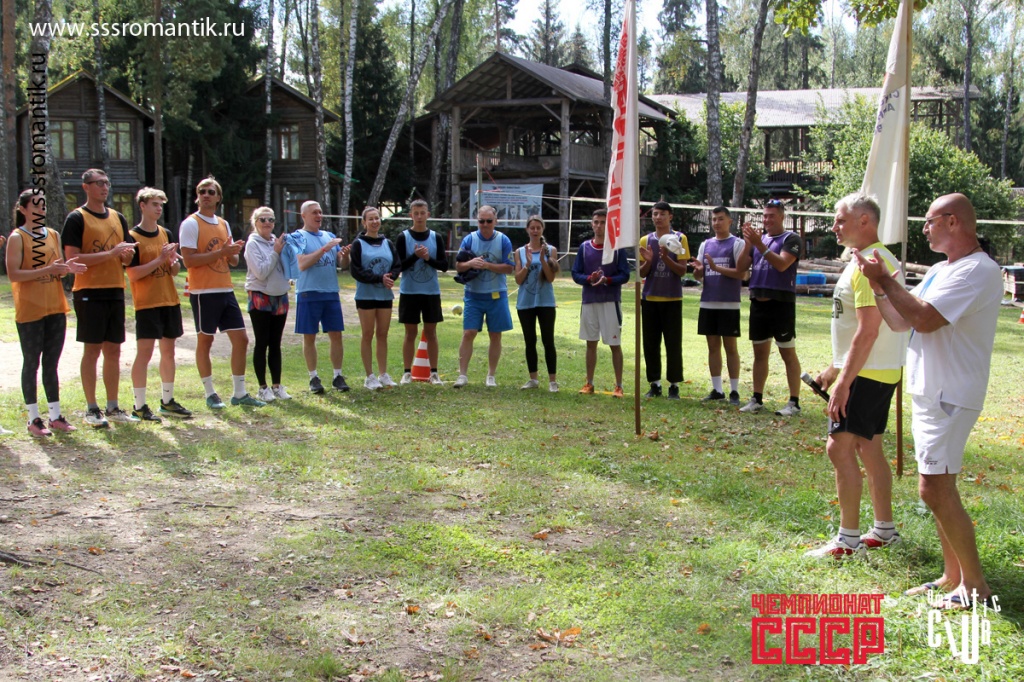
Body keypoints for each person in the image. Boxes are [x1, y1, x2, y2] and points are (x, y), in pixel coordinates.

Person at [856, 193, 1002, 607]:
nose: (924, 229)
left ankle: (975, 586)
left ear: (953, 221)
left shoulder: (977, 270)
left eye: (930, 221)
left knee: (933, 489)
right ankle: (953, 576)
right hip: (931, 392)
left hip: (951, 394)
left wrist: (887, 281)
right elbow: (901, 320)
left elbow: (924, 318)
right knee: (939, 488)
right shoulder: (941, 269)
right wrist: (879, 287)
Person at [805, 193, 908, 559]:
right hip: (875, 370)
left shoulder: (871, 262)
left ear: (865, 220)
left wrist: (845, 383)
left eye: (841, 219)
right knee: (869, 446)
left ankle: (847, 541)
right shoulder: (864, 259)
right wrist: (835, 368)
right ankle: (884, 530)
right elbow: (854, 327)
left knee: (840, 447)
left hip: (868, 372)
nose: (834, 226)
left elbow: (868, 330)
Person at [179, 177, 265, 409]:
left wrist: (232, 251)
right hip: (203, 292)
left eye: (211, 192)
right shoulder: (191, 224)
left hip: (225, 290)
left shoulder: (223, 224)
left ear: (218, 197)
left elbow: (233, 260)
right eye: (202, 191)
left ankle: (240, 393)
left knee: (241, 339)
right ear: (197, 196)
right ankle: (210, 393)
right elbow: (188, 261)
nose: (206, 195)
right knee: (205, 341)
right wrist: (221, 252)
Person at [62, 168, 138, 427]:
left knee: (114, 350)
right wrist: (110, 254)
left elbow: (126, 257)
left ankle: (113, 406)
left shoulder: (118, 217)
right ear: (86, 187)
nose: (104, 187)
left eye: (106, 182)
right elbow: (72, 259)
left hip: (115, 289)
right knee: (92, 349)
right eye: (98, 183)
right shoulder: (76, 218)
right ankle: (92, 408)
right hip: (88, 292)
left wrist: (126, 255)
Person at [8, 189, 86, 436]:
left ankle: (55, 416)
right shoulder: (17, 237)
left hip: (55, 307)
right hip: (30, 309)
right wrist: (47, 270)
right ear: (23, 209)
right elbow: (13, 274)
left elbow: (57, 269)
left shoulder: (52, 234)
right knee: (31, 363)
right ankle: (33, 419)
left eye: (43, 205)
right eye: (36, 205)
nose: (41, 209)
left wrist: (67, 268)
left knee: (51, 364)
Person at [126, 188, 191, 422]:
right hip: (147, 303)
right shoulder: (132, 237)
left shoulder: (166, 233)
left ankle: (167, 401)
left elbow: (173, 271)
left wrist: (172, 262)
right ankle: (139, 406)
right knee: (144, 353)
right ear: (142, 206)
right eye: (154, 204)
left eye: (161, 205)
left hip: (169, 300)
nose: (159, 208)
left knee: (169, 352)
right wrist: (160, 259)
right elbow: (133, 274)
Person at [740, 199, 803, 416]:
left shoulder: (791, 239)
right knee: (759, 354)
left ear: (782, 216)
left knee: (787, 353)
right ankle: (757, 398)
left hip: (781, 303)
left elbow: (782, 264)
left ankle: (794, 402)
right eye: (765, 216)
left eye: (772, 216)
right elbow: (741, 268)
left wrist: (759, 244)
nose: (767, 220)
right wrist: (748, 243)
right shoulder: (760, 240)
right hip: (758, 302)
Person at [287, 200, 350, 394]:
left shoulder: (328, 236)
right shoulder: (297, 237)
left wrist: (345, 255)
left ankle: (338, 376)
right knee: (309, 337)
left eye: (320, 212)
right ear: (303, 216)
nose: (318, 216)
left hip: (330, 292)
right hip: (308, 293)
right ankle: (313, 377)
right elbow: (301, 264)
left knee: (336, 335)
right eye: (314, 212)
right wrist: (324, 248)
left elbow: (343, 265)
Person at [691, 206, 749, 406]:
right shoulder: (705, 244)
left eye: (721, 219)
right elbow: (699, 275)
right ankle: (717, 390)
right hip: (708, 302)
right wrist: (698, 271)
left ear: (730, 221)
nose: (716, 223)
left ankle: (734, 390)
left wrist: (716, 268)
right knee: (712, 347)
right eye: (714, 219)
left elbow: (742, 274)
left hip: (729, 303)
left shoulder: (738, 244)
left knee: (730, 347)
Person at [453, 205, 514, 388]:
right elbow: (458, 266)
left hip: (497, 295)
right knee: (469, 333)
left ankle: (491, 375)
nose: (485, 224)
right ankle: (462, 375)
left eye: (488, 221)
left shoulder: (503, 240)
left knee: (495, 335)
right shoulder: (469, 239)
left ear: (495, 221)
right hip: (473, 295)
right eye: (481, 221)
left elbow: (509, 268)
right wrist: (471, 263)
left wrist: (487, 265)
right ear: (477, 221)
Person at [571, 208, 630, 398]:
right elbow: (575, 273)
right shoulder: (584, 248)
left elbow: (625, 274)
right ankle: (589, 383)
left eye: (603, 222)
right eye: (596, 222)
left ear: (609, 225)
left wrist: (607, 280)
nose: (599, 226)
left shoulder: (617, 248)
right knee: (591, 343)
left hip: (610, 301)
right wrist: (590, 278)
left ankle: (619, 385)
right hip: (589, 301)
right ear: (591, 224)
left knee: (614, 344)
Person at [638, 201, 689, 399]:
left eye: (662, 214)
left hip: (672, 299)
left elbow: (682, 270)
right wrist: (649, 262)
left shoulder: (679, 239)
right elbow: (641, 273)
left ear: (670, 216)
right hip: (650, 299)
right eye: (655, 214)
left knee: (673, 343)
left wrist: (667, 258)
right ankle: (655, 384)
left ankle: (674, 385)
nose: (658, 217)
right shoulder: (645, 240)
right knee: (650, 343)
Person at [396, 199, 448, 385]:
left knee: (431, 333)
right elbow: (398, 266)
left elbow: (444, 265)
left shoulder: (436, 237)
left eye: (422, 213)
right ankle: (407, 372)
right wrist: (415, 256)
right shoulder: (403, 237)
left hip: (430, 292)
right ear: (411, 215)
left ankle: (433, 372)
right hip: (409, 292)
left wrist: (427, 258)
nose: (419, 216)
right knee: (410, 333)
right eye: (416, 213)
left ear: (428, 215)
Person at [350, 206, 401, 390]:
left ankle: (383, 373)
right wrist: (379, 278)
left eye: (377, 218)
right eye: (370, 219)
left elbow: (397, 265)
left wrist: (390, 277)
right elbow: (356, 271)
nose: (374, 222)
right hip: (366, 296)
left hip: (384, 296)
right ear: (364, 222)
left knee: (382, 334)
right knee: (367, 334)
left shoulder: (388, 243)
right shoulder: (358, 244)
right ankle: (369, 376)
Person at [244, 206, 292, 403]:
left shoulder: (277, 242)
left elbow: (288, 266)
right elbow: (261, 272)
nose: (267, 223)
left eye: (271, 220)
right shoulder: (252, 244)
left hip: (280, 295)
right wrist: (275, 252)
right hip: (260, 295)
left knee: (276, 343)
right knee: (262, 342)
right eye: (262, 219)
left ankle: (277, 386)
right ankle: (262, 387)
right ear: (255, 222)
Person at [513, 215, 560, 392]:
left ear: (542, 230)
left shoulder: (551, 250)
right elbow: (518, 280)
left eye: (538, 228)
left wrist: (542, 261)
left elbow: (551, 278)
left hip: (545, 302)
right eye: (532, 228)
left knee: (548, 340)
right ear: (527, 230)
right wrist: (527, 264)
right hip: (525, 303)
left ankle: (552, 381)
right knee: (530, 341)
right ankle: (533, 379)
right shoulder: (519, 252)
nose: (535, 231)